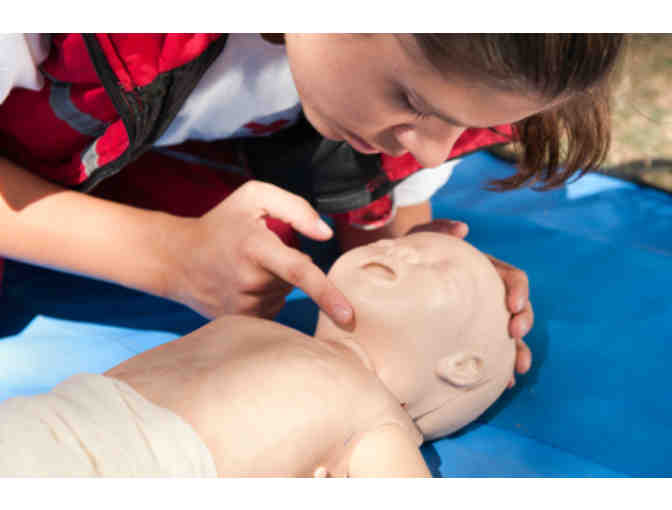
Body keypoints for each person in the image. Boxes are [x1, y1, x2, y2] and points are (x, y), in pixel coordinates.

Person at [0, 33, 625, 381]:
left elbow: (387, 212)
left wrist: (433, 281)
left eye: (465, 125)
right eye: (412, 101)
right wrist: (168, 257)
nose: (433, 153)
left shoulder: (436, 78)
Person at [0, 232, 515, 477]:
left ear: (463, 368)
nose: (401, 248)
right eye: (409, 241)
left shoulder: (374, 416)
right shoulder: (250, 327)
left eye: (438, 267)